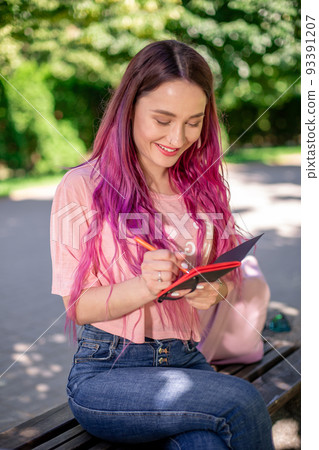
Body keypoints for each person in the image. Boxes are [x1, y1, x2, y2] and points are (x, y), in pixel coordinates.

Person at [50, 40, 274, 449]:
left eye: (194, 122)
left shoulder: (200, 190)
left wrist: (214, 289)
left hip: (186, 359)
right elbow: (77, 306)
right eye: (163, 119)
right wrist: (144, 285)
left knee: (207, 444)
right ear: (129, 108)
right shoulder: (82, 186)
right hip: (107, 373)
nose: (178, 137)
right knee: (242, 401)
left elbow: (217, 282)